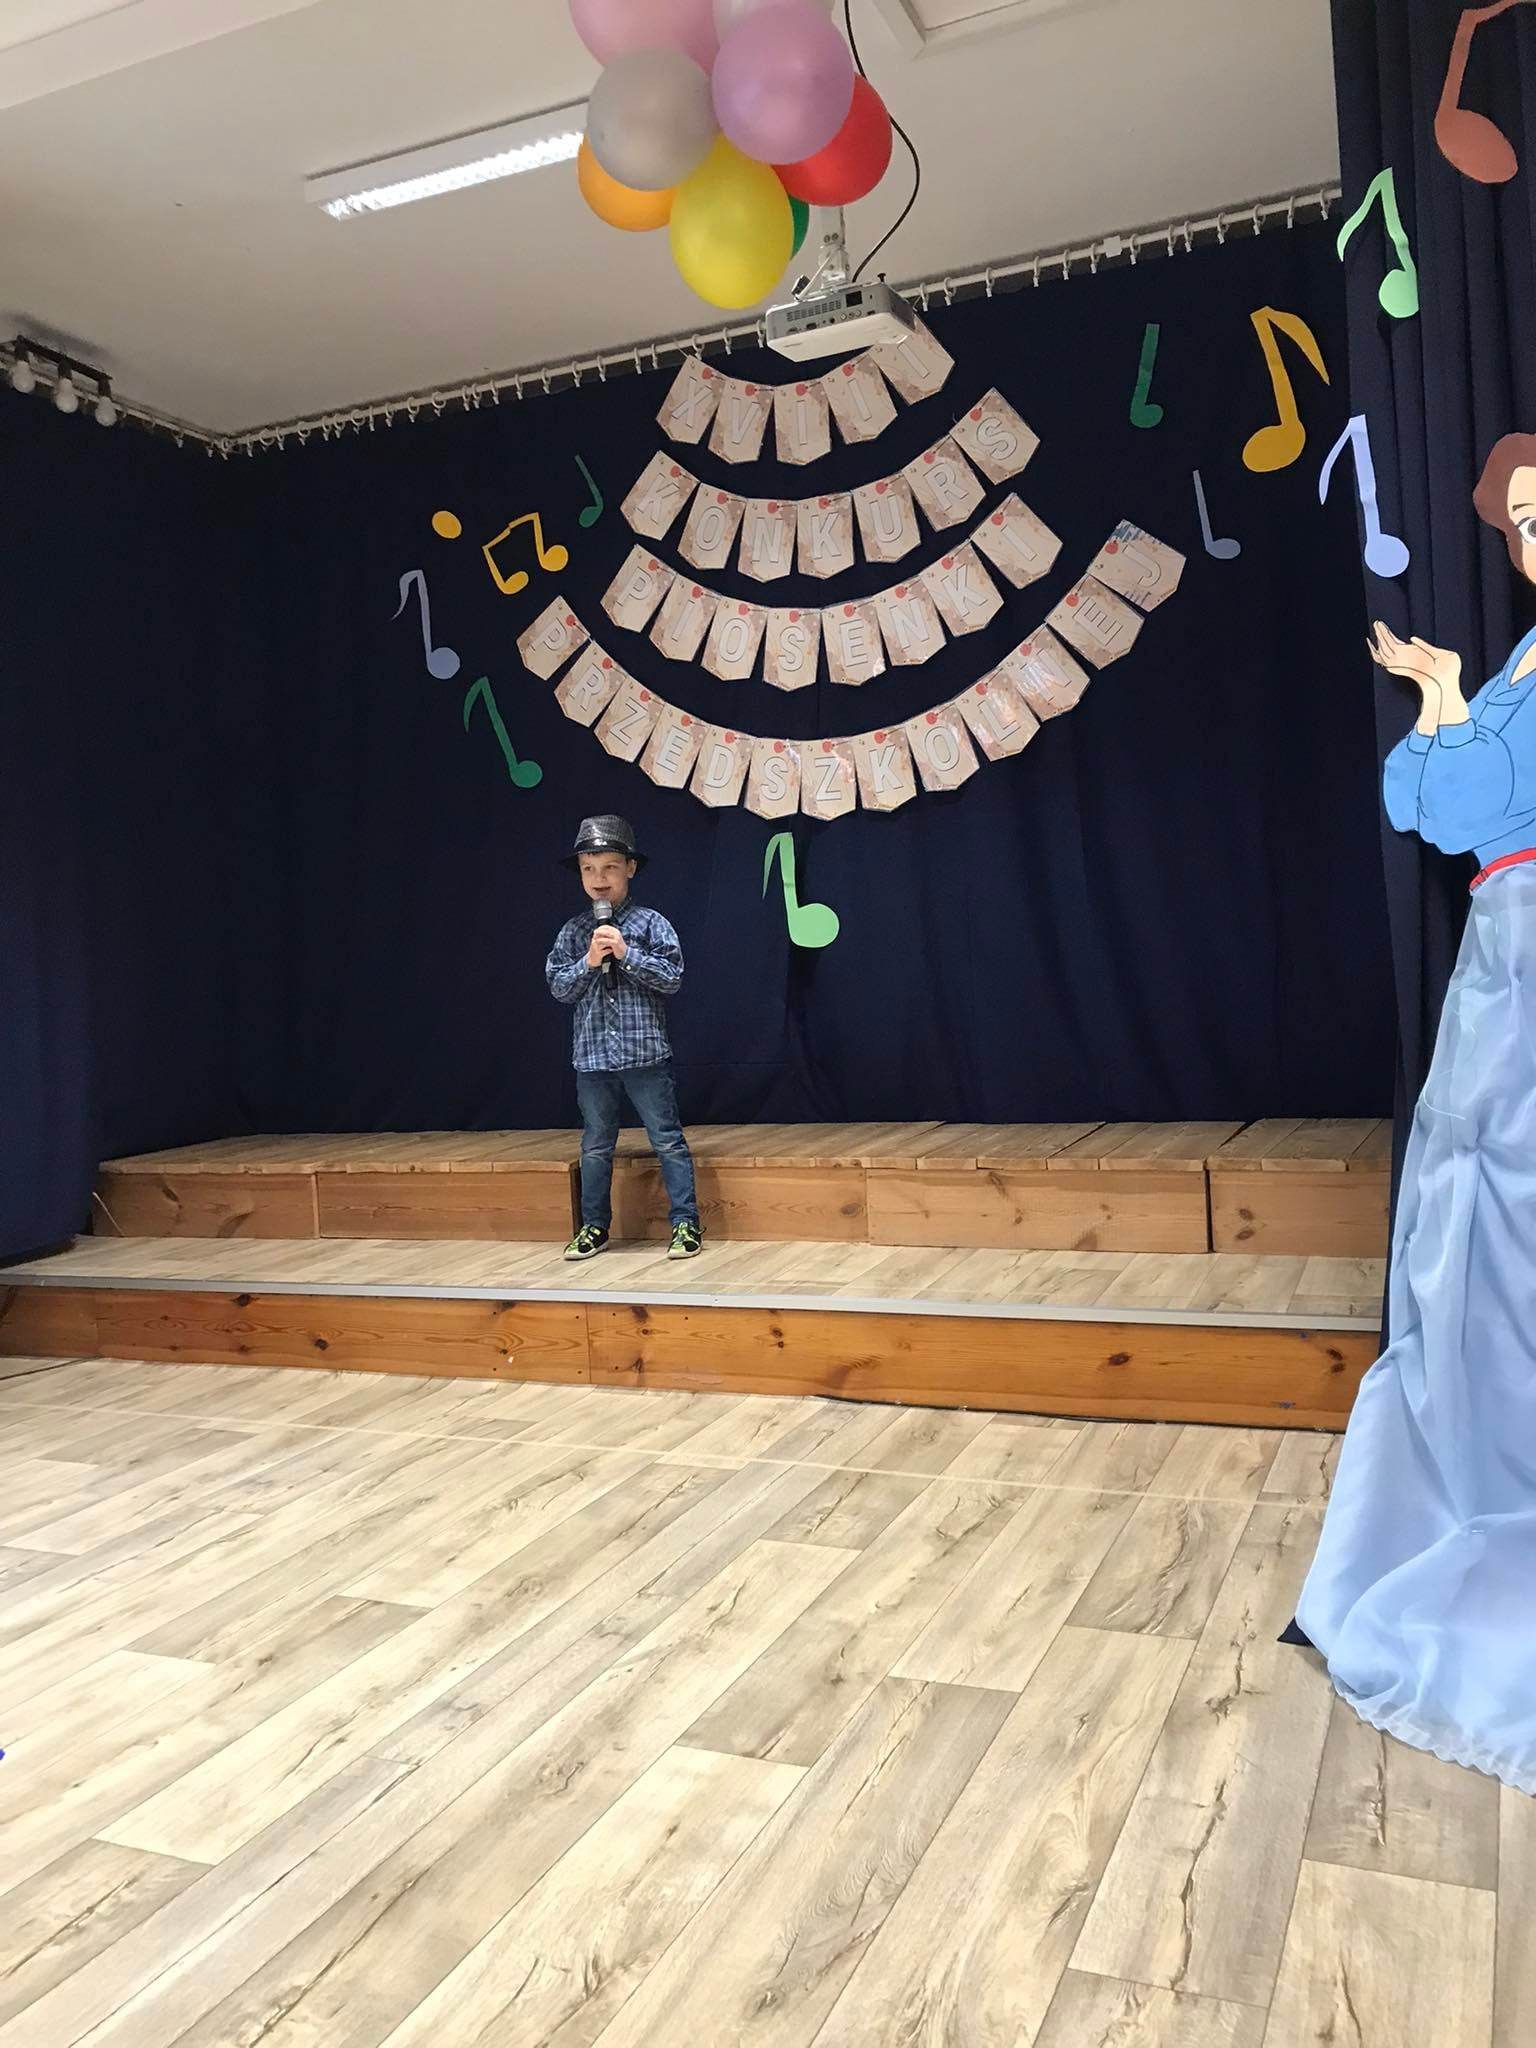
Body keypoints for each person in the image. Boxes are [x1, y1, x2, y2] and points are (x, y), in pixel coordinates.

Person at [1293, 432, 1536, 1793]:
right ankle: (1471, 1469)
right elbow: (1429, 805)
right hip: (1506, 953)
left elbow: (1476, 795)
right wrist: (1447, 694)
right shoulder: (1524, 665)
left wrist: (1456, 718)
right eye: (1524, 524)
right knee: (1474, 1217)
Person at [545, 814, 703, 1262]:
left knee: (667, 1139)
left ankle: (686, 1223)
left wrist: (627, 954)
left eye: (610, 868)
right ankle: (594, 1226)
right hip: (593, 1059)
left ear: (630, 868)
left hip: (644, 1055)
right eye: (588, 869)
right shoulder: (575, 932)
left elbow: (672, 978)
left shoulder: (651, 924)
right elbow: (559, 987)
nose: (599, 879)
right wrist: (588, 962)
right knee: (596, 1146)